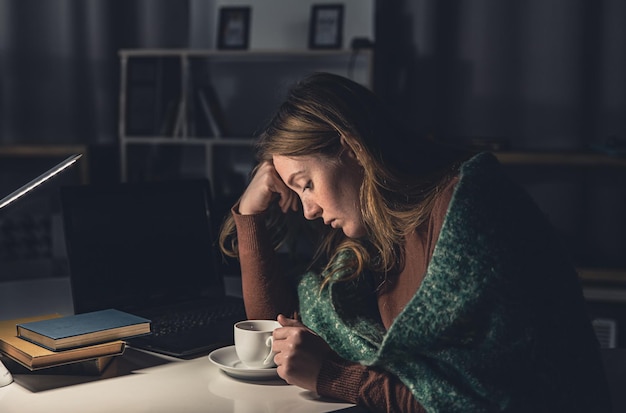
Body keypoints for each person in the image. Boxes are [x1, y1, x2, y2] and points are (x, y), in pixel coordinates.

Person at [219, 72, 610, 412]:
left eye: (307, 184)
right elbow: (278, 341)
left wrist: (334, 375)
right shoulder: (373, 239)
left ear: (352, 148)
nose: (307, 210)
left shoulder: (469, 212)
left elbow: (482, 401)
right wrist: (251, 217)